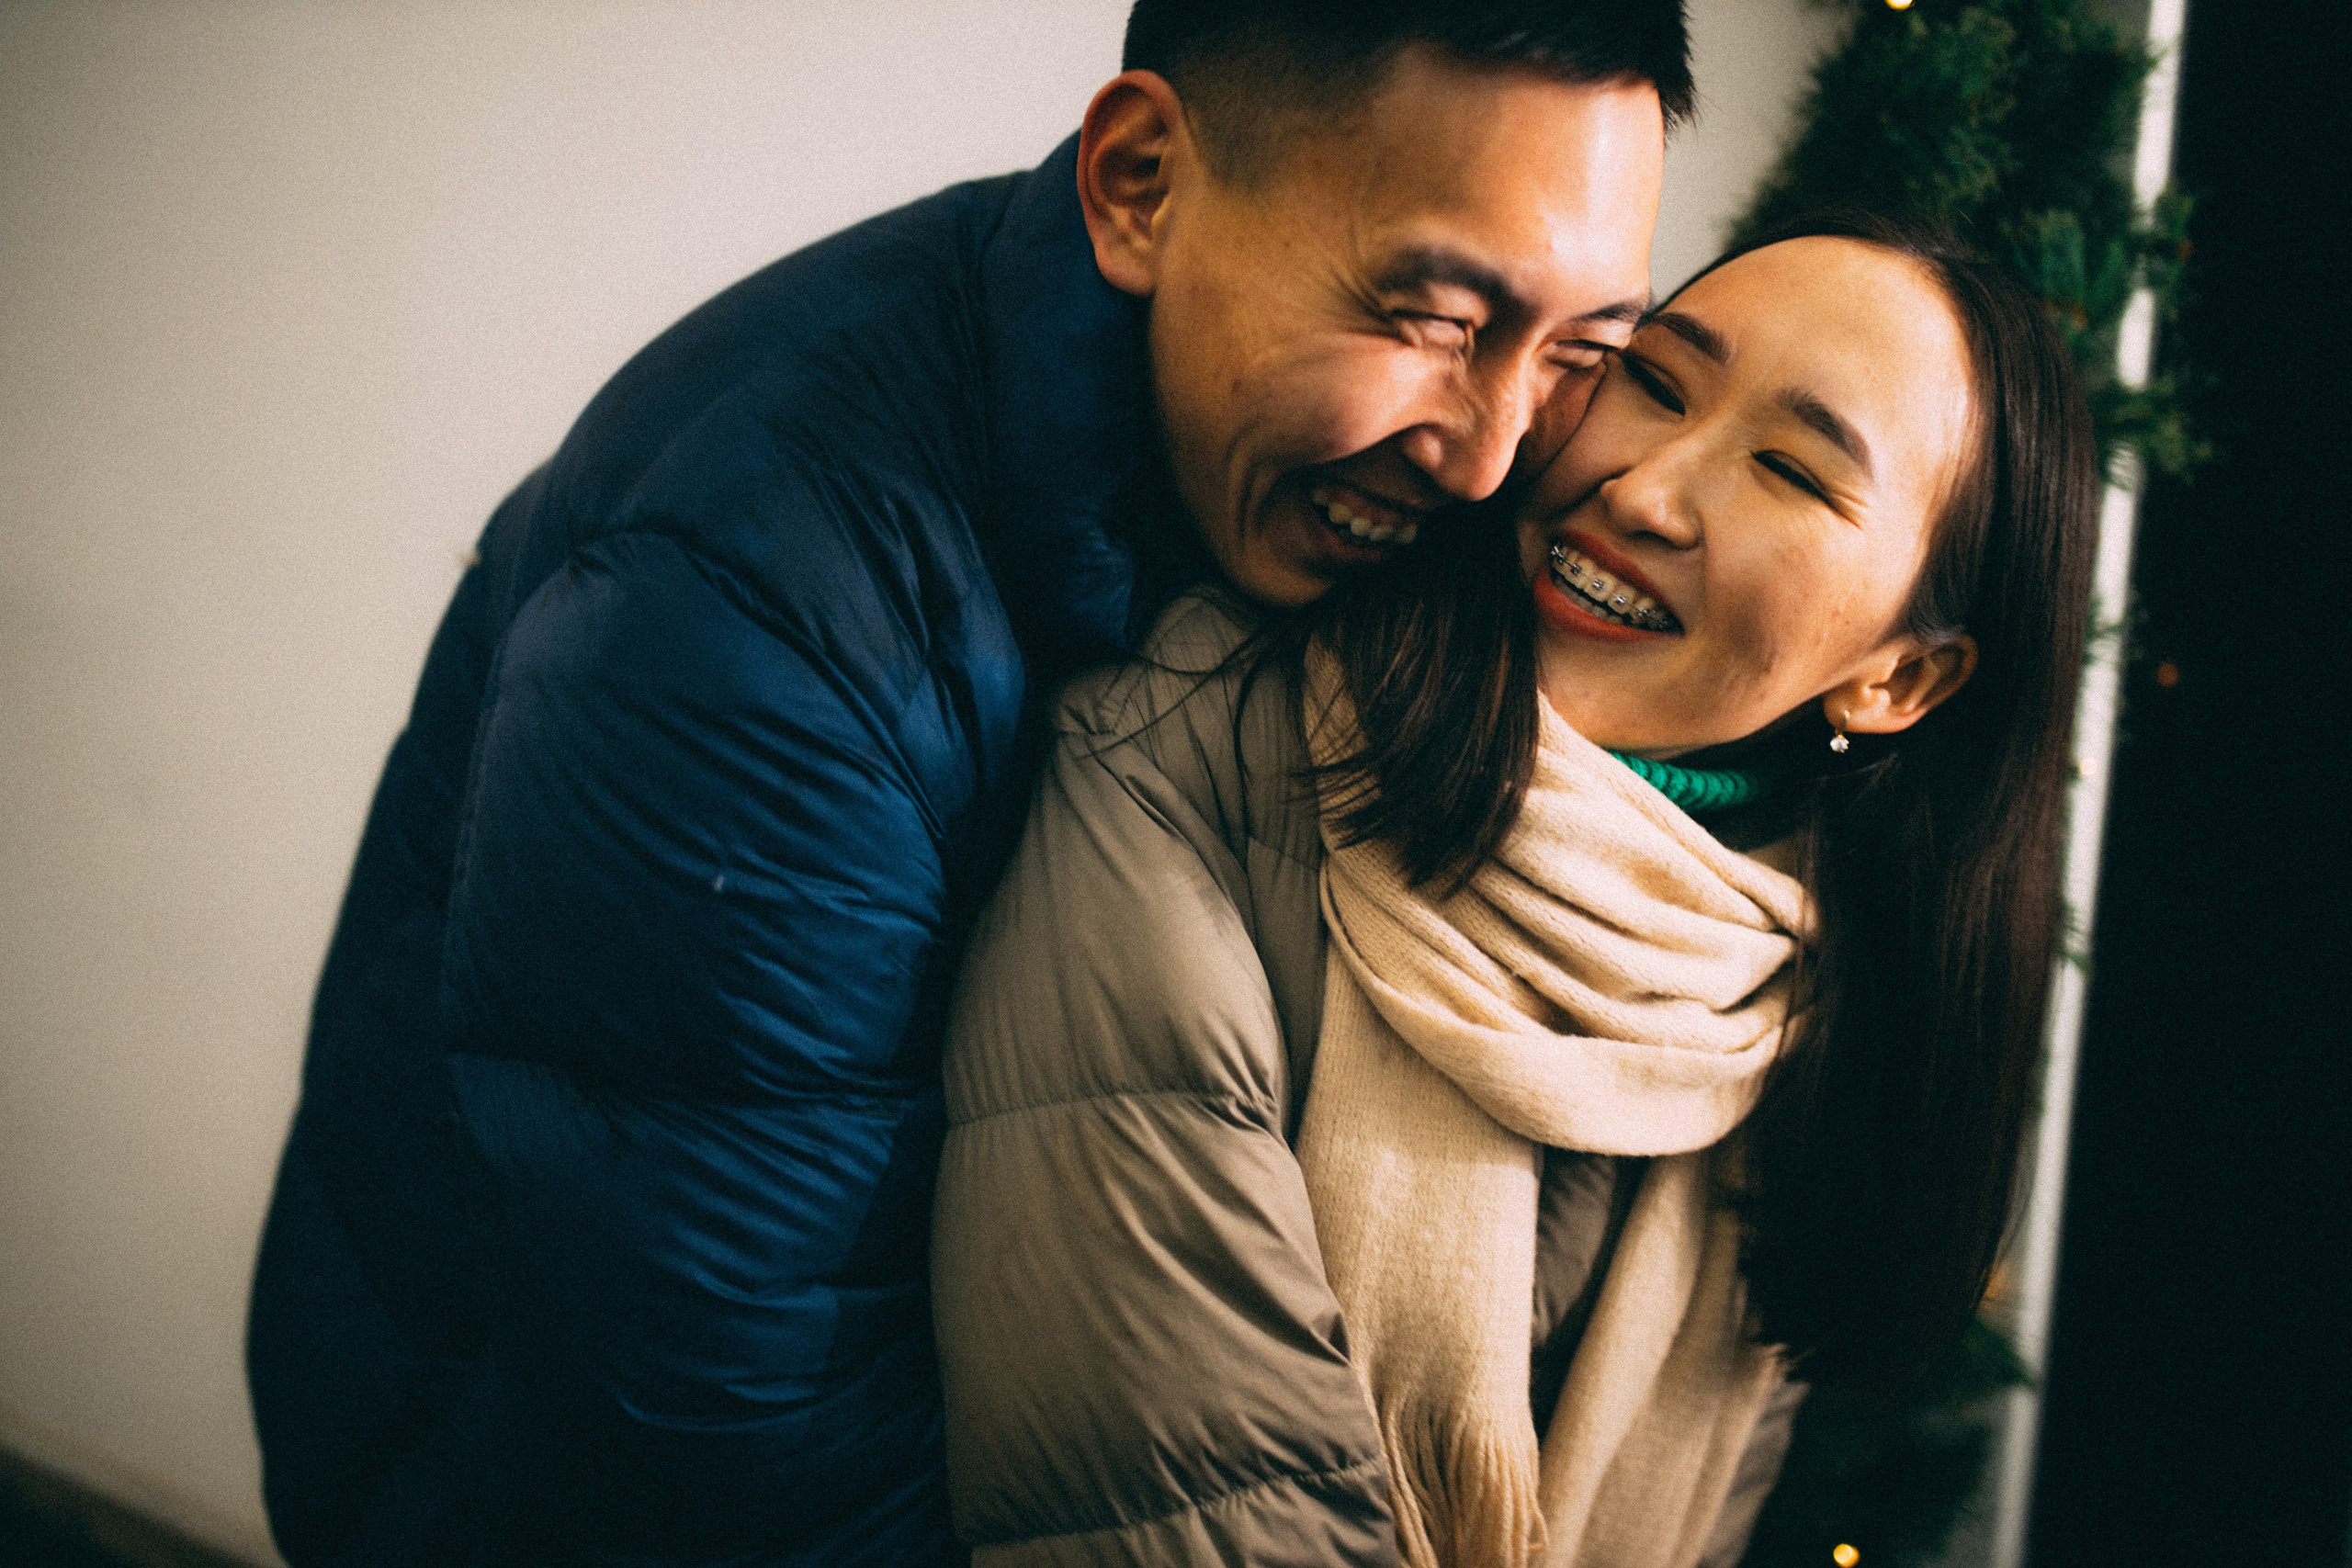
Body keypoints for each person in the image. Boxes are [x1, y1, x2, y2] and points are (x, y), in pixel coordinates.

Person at [243, 4, 1691, 1563]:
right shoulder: (767, 608)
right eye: (1431, 319)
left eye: (1588, 352)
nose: (1487, 460)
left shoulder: (1295, 493)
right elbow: (744, 1442)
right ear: (1137, 184)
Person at [931, 211, 2098, 1566]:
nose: (1647, 489)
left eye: (1788, 468)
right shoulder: (1204, 751)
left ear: (1898, 678)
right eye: (1652, 380)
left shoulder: (1792, 1017)